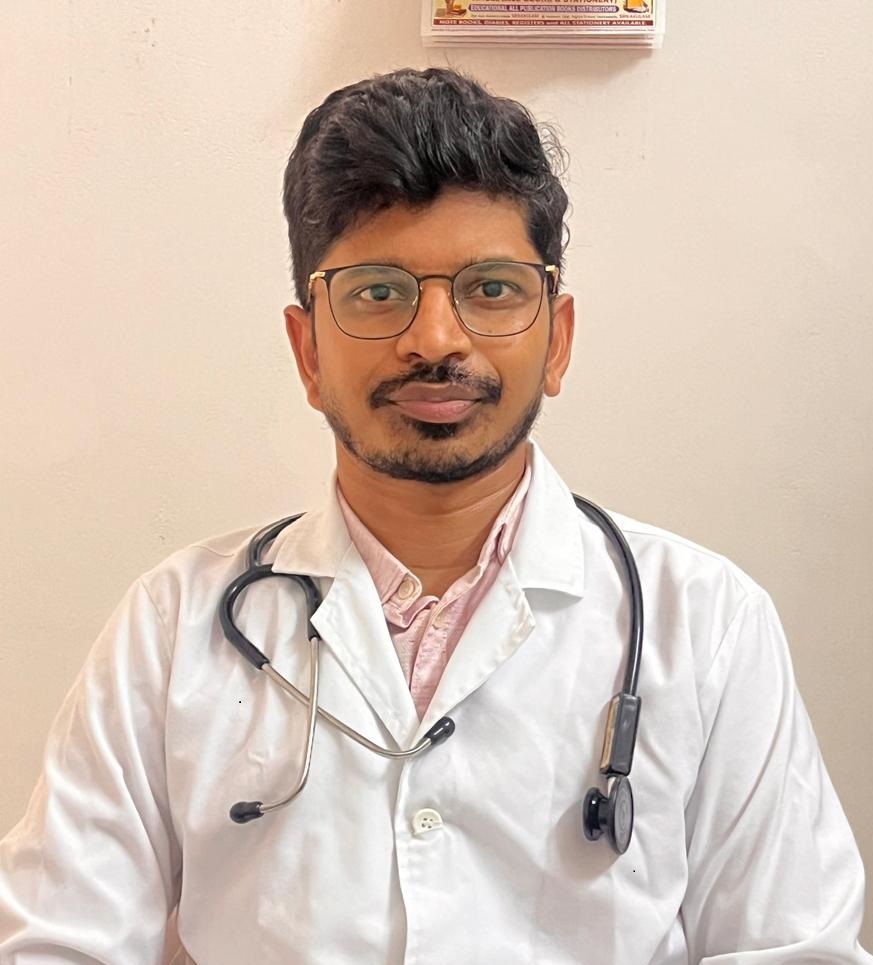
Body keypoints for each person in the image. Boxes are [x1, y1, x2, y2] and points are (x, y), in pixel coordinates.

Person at [0, 67, 870, 963]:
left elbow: (795, 947)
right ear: (307, 351)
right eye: (378, 292)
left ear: (557, 339)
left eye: (491, 289)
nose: (436, 339)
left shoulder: (710, 623)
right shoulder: (169, 627)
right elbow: (58, 942)